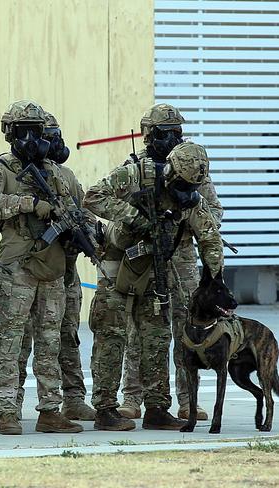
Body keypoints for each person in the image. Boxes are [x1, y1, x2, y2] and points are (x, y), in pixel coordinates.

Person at [84, 140, 223, 431]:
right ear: (170, 171)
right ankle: (105, 409)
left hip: (155, 266)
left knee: (156, 336)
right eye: (181, 186)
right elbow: (93, 197)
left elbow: (209, 236)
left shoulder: (191, 197)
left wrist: (215, 276)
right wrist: (135, 217)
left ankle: (157, 408)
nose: (184, 193)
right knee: (111, 333)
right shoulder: (136, 174)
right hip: (118, 262)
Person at [0, 100, 85, 435]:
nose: (30, 139)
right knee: (9, 342)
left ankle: (49, 410)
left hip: (51, 268)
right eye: (23, 131)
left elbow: (75, 208)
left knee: (49, 342)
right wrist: (29, 204)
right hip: (17, 268)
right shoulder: (1, 169)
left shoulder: (56, 173)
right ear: (10, 133)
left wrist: (76, 231)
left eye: (36, 132)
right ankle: (7, 411)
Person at [117, 104, 223, 422]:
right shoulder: (135, 169)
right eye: (166, 133)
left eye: (177, 132)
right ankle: (133, 397)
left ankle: (188, 400)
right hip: (146, 258)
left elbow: (214, 213)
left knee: (188, 329)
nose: (173, 139)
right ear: (149, 135)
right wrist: (140, 218)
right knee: (140, 331)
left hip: (184, 259)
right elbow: (115, 208)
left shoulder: (192, 167)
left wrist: (193, 208)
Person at [16, 111, 95, 422]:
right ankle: (11, 402)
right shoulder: (18, 174)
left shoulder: (66, 177)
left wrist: (85, 235)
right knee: (20, 340)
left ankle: (73, 398)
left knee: (67, 336)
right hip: (33, 267)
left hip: (66, 271)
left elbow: (84, 212)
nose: (56, 143)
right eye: (50, 136)